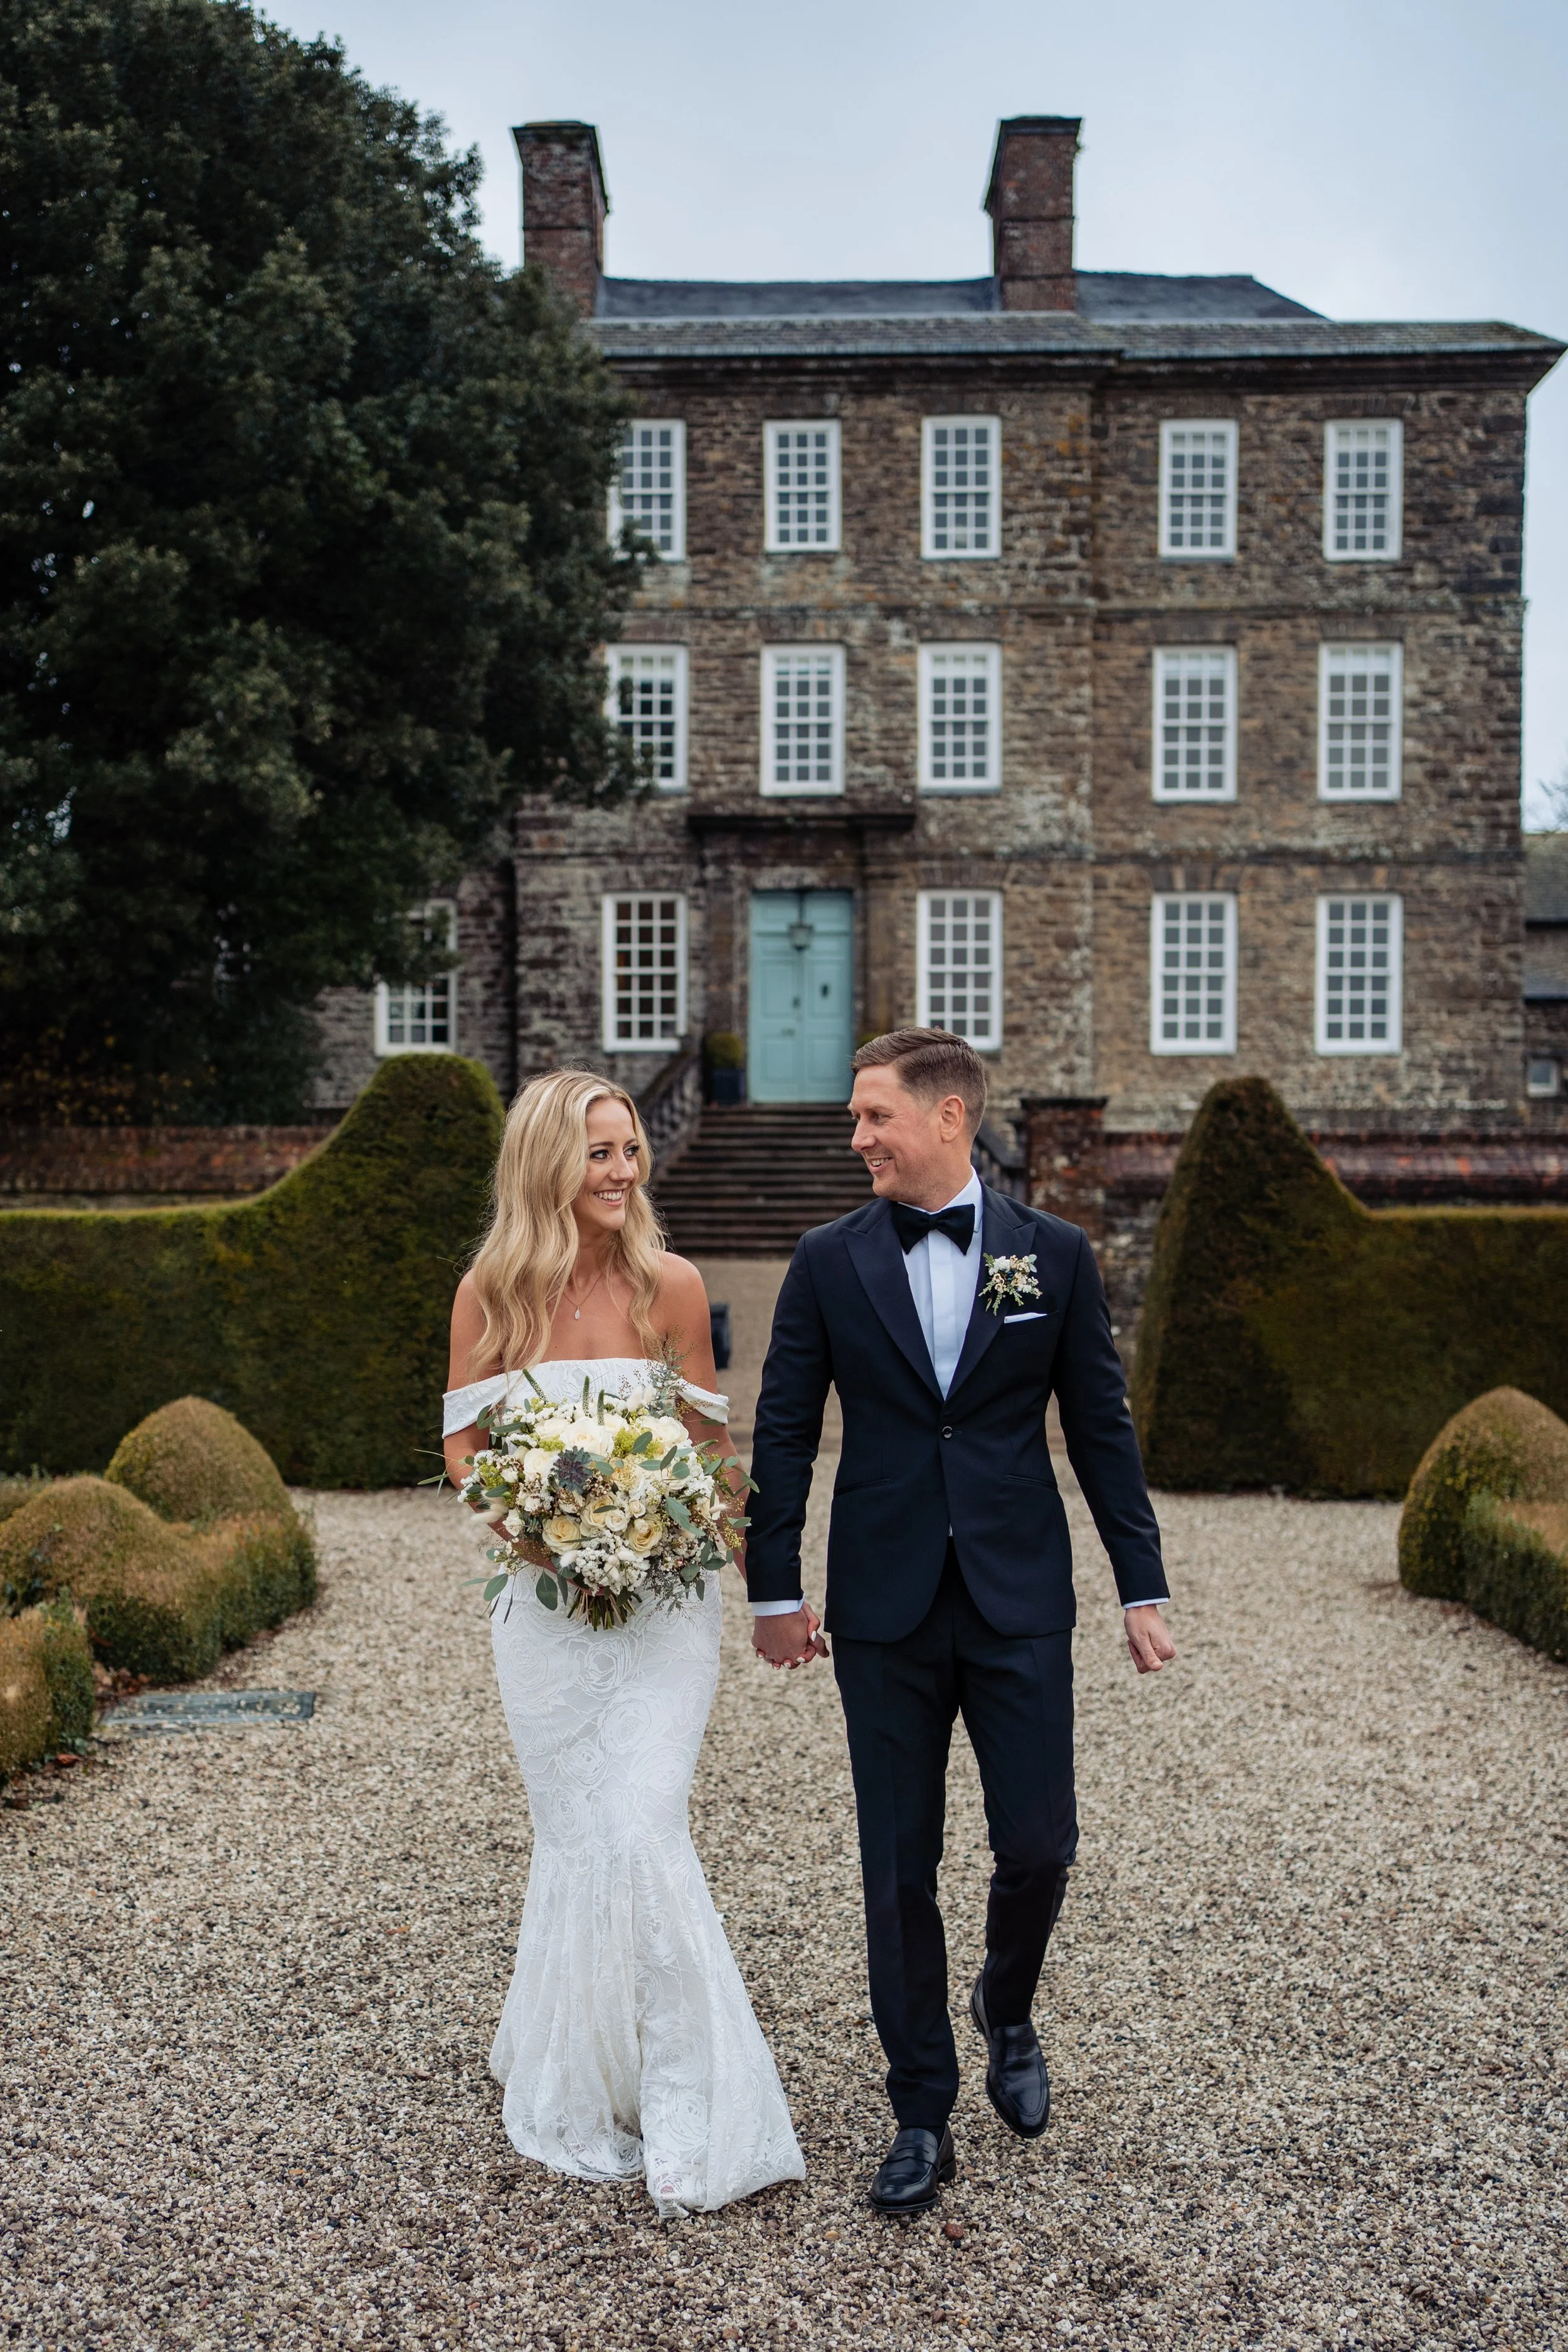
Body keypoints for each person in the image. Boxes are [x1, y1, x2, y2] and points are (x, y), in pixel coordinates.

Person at [745, 1029, 1175, 2214]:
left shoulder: (1057, 1254)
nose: (856, 1136)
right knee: (899, 1866)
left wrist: (1141, 1582)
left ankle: (1007, 2000)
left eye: (873, 1115)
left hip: (1018, 1599)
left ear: (948, 1119)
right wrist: (772, 1588)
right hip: (879, 1607)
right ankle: (921, 2111)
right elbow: (781, 1429)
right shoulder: (827, 1260)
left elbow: (1101, 1427)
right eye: (853, 1116)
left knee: (1041, 1844)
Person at [442, 1069, 805, 2216]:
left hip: (665, 1611)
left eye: (630, 1147)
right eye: (599, 1151)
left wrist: (771, 1592)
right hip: (543, 1615)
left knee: (644, 1820)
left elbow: (710, 1451)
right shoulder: (492, 1292)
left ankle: (694, 2093)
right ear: (550, 1163)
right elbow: (462, 1450)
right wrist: (540, 1529)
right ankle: (582, 2065)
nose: (622, 1168)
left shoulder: (675, 1287)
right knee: (577, 1828)